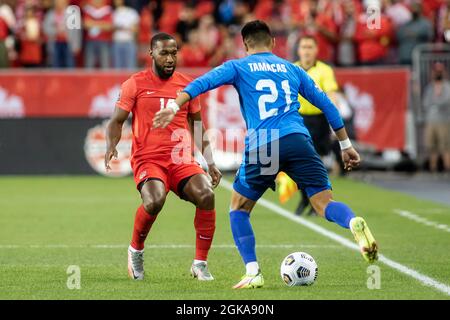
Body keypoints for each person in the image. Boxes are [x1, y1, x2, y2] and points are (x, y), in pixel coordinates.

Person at [153, 20, 378, 289]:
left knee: (238, 208)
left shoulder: (238, 66)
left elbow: (202, 83)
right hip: (298, 140)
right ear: (273, 42)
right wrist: (346, 145)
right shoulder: (291, 69)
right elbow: (328, 105)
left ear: (245, 45)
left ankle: (253, 271)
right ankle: (352, 220)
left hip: (265, 144)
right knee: (323, 204)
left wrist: (175, 104)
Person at [105, 33, 222, 281]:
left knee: (206, 195)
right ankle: (135, 250)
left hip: (182, 160)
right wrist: (111, 145)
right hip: (149, 159)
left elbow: (198, 127)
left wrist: (210, 162)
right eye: (164, 53)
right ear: (151, 54)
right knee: (154, 200)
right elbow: (116, 121)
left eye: (173, 53)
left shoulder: (188, 86)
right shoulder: (134, 84)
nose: (170, 58)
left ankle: (200, 264)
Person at [279, 35, 339, 216]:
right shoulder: (292, 69)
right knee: (297, 162)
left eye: (310, 47)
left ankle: (312, 201)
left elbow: (331, 96)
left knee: (315, 163)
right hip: (298, 120)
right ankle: (307, 199)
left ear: (316, 50)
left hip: (318, 120)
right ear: (298, 50)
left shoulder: (324, 70)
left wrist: (334, 123)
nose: (306, 50)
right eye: (303, 47)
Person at [423, 62, 450, 172]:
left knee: (445, 146)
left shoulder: (447, 86)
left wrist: (435, 101)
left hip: (443, 120)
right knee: (431, 146)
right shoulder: (430, 87)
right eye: (436, 71)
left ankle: (447, 168)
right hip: (431, 120)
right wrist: (435, 101)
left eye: (440, 71)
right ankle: (433, 169)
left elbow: (446, 101)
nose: (437, 73)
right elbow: (425, 102)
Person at [112, 0, 139, 69]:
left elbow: (135, 29)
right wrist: (127, 28)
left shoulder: (132, 12)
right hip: (117, 42)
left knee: (130, 67)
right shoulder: (113, 13)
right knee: (117, 68)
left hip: (129, 42)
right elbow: (110, 27)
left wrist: (120, 27)